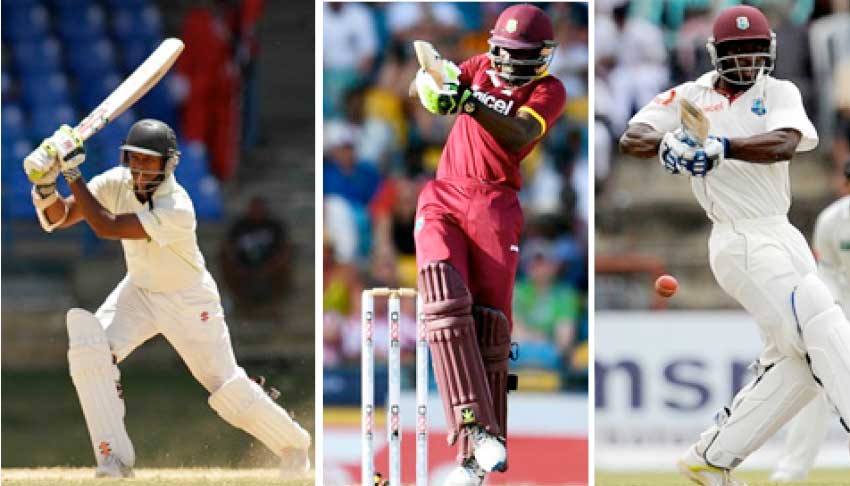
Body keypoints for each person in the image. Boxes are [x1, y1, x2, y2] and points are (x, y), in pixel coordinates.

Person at [618, 6, 850, 486]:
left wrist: (719, 147)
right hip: (738, 236)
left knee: (803, 364)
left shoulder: (779, 90)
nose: (746, 59)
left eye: (754, 49)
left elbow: (786, 142)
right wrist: (667, 145)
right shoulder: (691, 95)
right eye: (736, 50)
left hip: (782, 231)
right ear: (716, 54)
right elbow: (632, 135)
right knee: (821, 319)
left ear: (768, 51)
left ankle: (711, 457)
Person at [22, 120, 310, 477]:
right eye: (135, 160)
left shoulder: (178, 207)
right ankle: (114, 460)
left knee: (227, 390)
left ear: (167, 164)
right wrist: (46, 184)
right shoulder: (116, 181)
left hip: (188, 300)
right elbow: (61, 217)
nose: (141, 170)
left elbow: (107, 226)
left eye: (150, 162)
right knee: (88, 350)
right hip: (139, 291)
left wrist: (71, 171)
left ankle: (294, 445)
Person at [410, 4, 566, 485]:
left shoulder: (549, 90)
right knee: (441, 293)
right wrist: (435, 91)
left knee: (489, 330)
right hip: (444, 192)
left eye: (522, 55)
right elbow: (432, 86)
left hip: (495, 205)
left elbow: (517, 131)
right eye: (505, 52)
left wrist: (471, 101)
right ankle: (472, 428)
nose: (510, 63)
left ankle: (475, 465)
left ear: (541, 56)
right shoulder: (478, 66)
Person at [770, 159, 850, 482]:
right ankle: (791, 470)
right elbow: (827, 272)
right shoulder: (833, 220)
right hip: (843, 310)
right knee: (819, 384)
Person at [221, 195, 291, 306]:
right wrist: (237, 267)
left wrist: (271, 268)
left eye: (259, 208)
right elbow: (228, 248)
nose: (256, 212)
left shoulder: (274, 226)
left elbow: (284, 249)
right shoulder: (240, 226)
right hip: (243, 268)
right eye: (254, 208)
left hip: (270, 268)